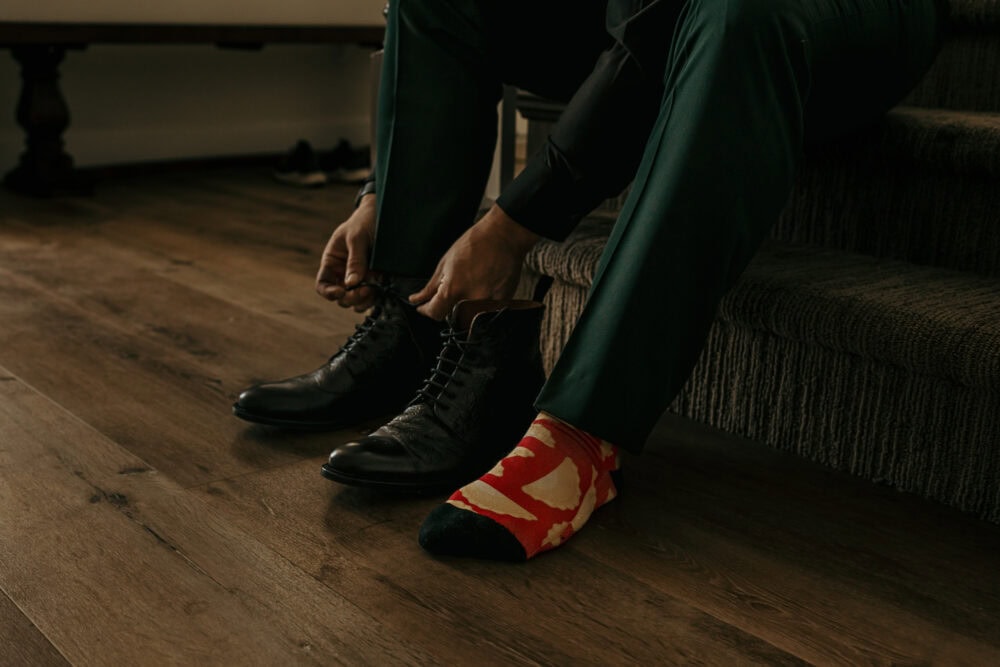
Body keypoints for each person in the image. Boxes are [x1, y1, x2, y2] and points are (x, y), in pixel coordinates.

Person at [235, 0, 948, 561]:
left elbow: (664, 25)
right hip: (638, 8)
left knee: (735, 10)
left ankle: (581, 435)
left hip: (835, 17)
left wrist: (513, 225)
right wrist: (380, 195)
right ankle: (411, 317)